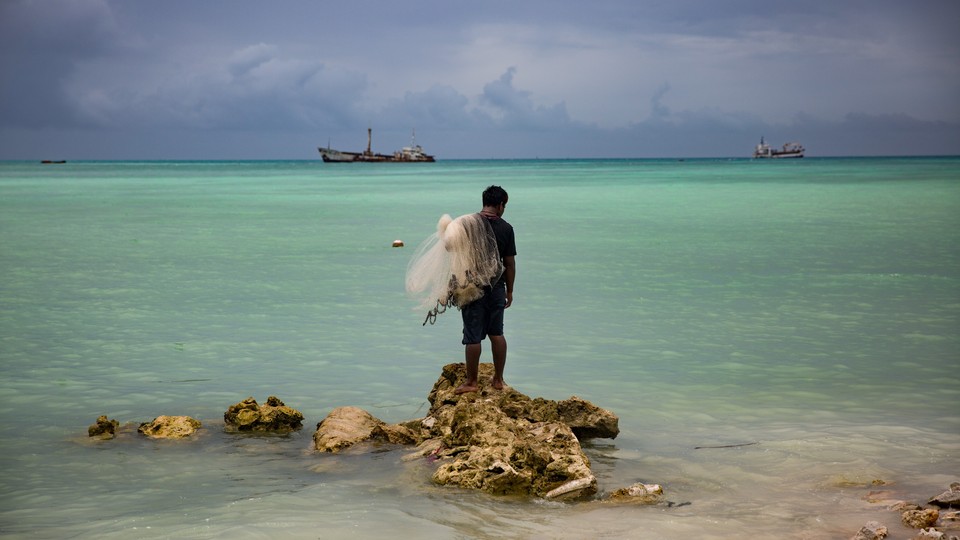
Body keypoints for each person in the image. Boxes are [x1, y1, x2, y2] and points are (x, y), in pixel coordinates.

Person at [455, 185, 516, 394]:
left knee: (473, 336)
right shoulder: (507, 228)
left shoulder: (467, 224)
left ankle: (471, 382)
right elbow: (509, 264)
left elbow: (450, 248)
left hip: (472, 287)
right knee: (496, 333)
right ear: (500, 205)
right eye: (504, 205)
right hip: (497, 287)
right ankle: (498, 380)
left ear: (484, 202)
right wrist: (509, 291)